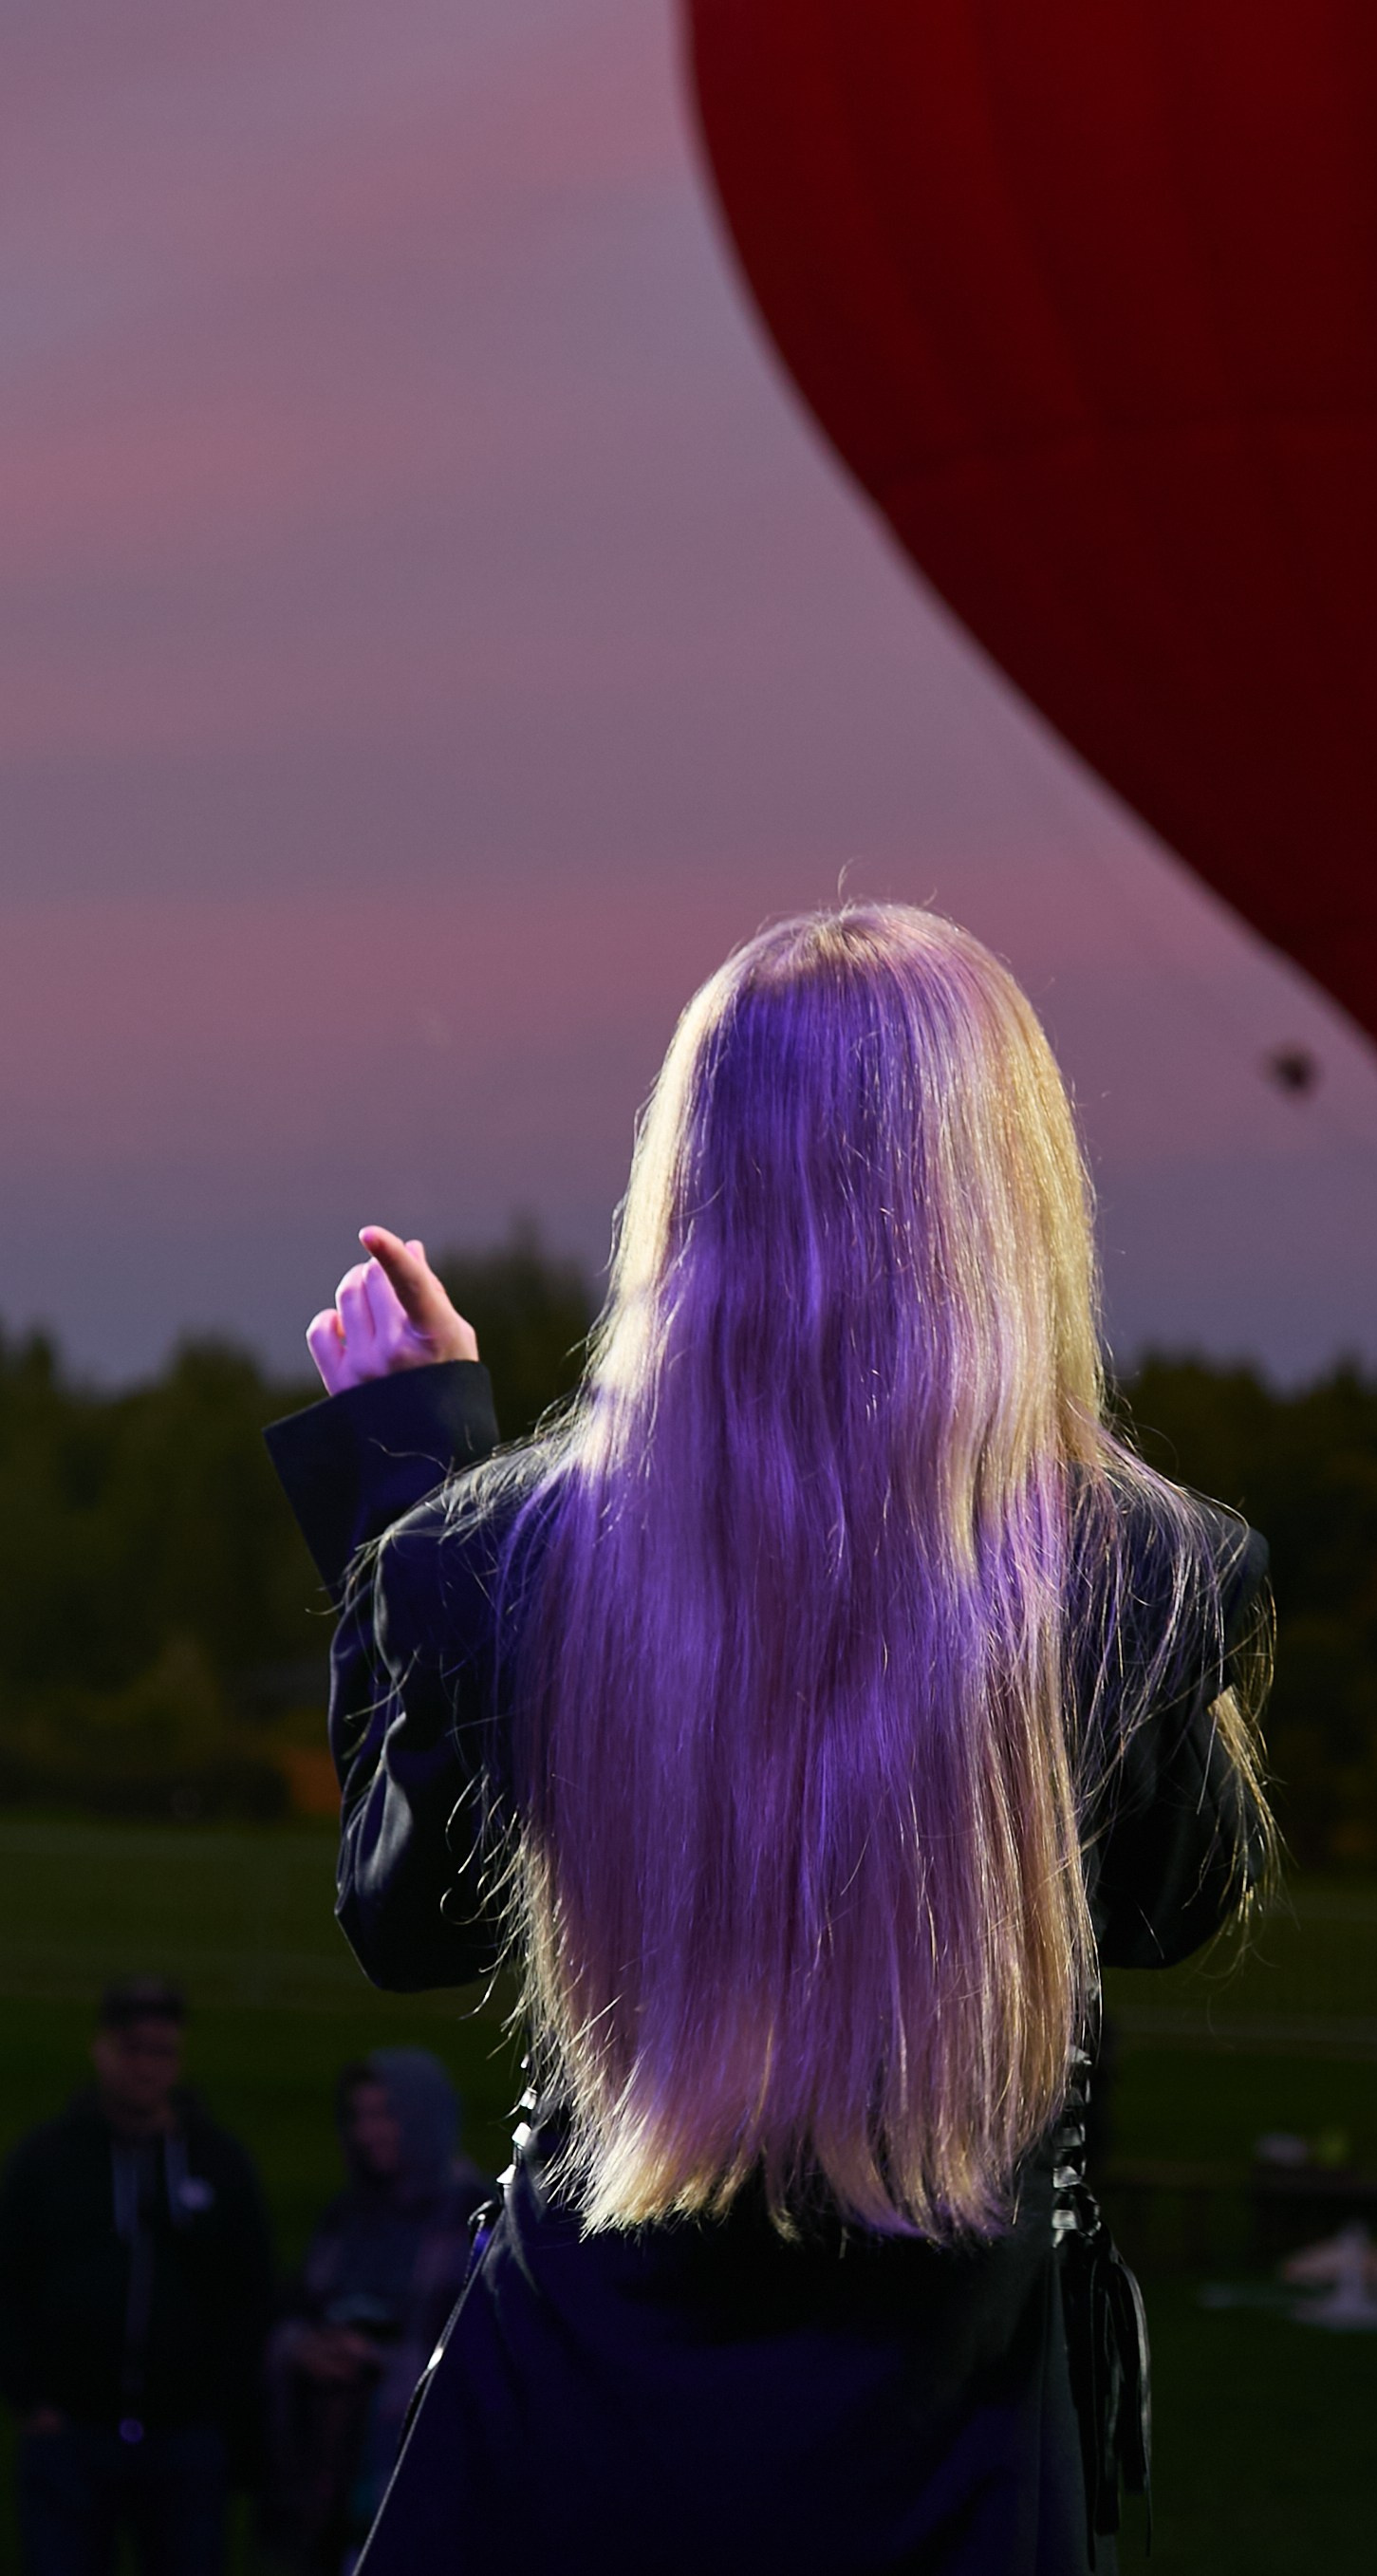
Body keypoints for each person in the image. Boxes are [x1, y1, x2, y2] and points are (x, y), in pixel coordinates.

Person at [263, 905, 1275, 2576]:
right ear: (1008, 1186)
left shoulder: (495, 1564)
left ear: (690, 1184)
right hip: (944, 2452)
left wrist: (407, 1487)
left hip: (564, 2442)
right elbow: (1176, 1911)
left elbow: (405, 1923)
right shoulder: (1148, 1577)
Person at [0, 1977, 271, 2576]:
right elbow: (10, 2279)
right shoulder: (49, 2160)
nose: (145, 2067)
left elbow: (251, 2288)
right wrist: (30, 2396)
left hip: (184, 2436)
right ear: (102, 2051)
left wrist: (219, 2402)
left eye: (162, 2052)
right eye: (132, 2049)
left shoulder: (217, 2163)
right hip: (70, 2432)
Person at [266, 2053, 492, 2574]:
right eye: (358, 2116)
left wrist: (382, 2362)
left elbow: (482, 2357)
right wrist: (306, 2350)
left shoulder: (470, 2218)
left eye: (385, 2114)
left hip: (422, 2479)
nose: (368, 2132)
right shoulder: (348, 2218)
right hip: (335, 2477)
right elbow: (298, 2310)